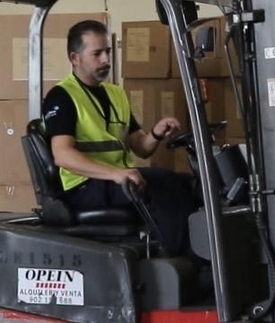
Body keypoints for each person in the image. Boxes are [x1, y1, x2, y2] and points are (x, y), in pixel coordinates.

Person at [42, 19, 201, 253]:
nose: (106, 59)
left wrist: (156, 133)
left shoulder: (116, 94)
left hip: (115, 180)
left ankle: (195, 254)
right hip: (84, 186)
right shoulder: (62, 96)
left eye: (108, 51)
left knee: (189, 183)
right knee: (165, 185)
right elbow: (63, 155)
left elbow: (141, 147)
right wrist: (116, 174)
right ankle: (181, 258)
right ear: (75, 58)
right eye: (97, 54)